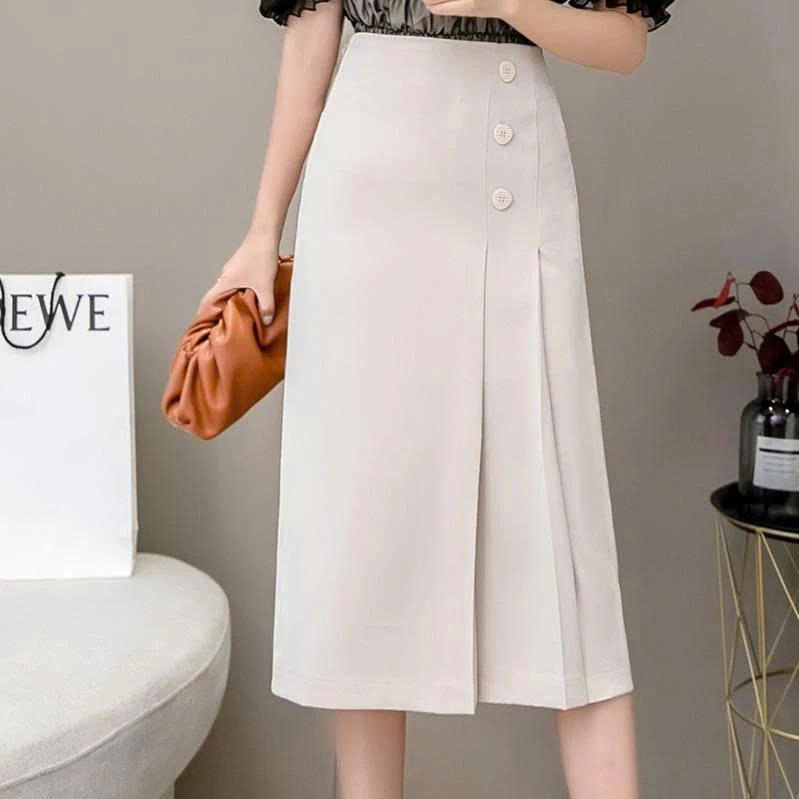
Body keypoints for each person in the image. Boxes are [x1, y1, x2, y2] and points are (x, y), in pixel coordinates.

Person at [199, 0, 675, 796]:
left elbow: (625, 44)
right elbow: (312, 31)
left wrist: (506, 2)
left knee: (561, 538)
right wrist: (261, 231)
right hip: (364, 193)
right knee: (363, 534)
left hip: (507, 174)